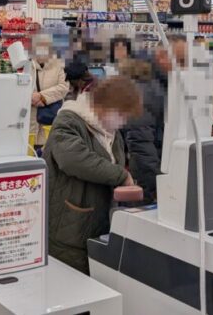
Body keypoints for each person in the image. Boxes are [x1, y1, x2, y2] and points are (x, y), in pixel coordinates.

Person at [43, 76, 141, 273]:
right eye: (120, 113)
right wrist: (120, 176)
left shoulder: (110, 131)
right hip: (69, 229)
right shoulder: (69, 121)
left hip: (98, 225)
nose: (122, 120)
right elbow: (74, 159)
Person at [120, 57, 167, 201]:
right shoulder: (156, 87)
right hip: (161, 160)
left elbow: (140, 144)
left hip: (145, 172)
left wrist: (155, 184)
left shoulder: (133, 96)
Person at [29, 37, 70, 125]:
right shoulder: (28, 65)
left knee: (49, 136)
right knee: (31, 136)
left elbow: (64, 87)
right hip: (31, 116)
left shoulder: (59, 65)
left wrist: (42, 97)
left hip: (51, 114)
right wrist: (30, 98)